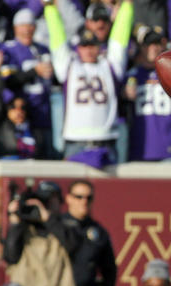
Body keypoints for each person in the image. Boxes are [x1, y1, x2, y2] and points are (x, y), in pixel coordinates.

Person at [45, 0, 133, 164]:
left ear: (99, 47)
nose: (89, 50)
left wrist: (127, 6)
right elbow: (57, 42)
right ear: (78, 48)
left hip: (106, 139)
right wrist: (50, 9)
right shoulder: (69, 67)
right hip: (76, 141)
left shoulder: (110, 66)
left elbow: (119, 41)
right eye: (84, 46)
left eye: (93, 45)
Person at [0, 8, 54, 158]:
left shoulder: (42, 49)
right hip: (21, 116)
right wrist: (34, 71)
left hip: (43, 115)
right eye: (23, 25)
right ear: (15, 27)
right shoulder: (9, 49)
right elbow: (8, 80)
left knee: (45, 160)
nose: (27, 29)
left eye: (30, 25)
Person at [125, 26, 171, 162]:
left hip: (170, 145)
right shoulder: (131, 75)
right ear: (141, 47)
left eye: (157, 44)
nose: (153, 48)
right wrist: (124, 94)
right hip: (142, 147)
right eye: (148, 44)